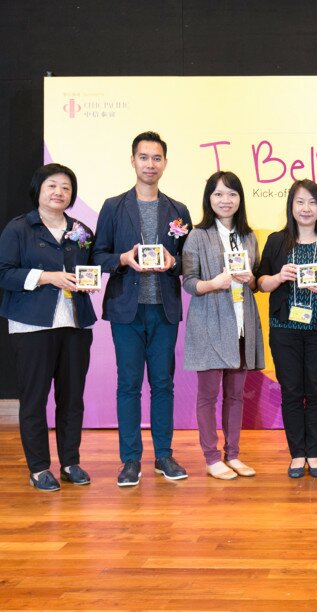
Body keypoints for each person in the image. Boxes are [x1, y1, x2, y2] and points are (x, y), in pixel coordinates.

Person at [93, 131, 193, 487]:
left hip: (164, 309)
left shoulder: (178, 210)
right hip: (126, 310)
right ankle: (130, 459)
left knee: (163, 384)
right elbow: (97, 256)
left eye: (157, 158)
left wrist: (173, 262)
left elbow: (188, 261)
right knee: (129, 385)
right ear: (132, 160)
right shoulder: (113, 206)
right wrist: (122, 259)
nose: (150, 164)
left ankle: (164, 456)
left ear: (165, 162)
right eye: (144, 157)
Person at [0, 164, 96, 491]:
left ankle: (70, 462)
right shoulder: (19, 229)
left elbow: (90, 268)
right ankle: (39, 467)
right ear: (38, 190)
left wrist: (89, 282)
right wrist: (46, 277)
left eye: (66, 187)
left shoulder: (81, 231)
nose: (59, 192)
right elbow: (4, 273)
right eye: (52, 186)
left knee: (72, 399)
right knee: (35, 399)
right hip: (31, 326)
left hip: (75, 323)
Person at [256, 180, 317, 478]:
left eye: (312, 202)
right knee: (292, 391)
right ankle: (297, 454)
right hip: (285, 328)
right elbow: (260, 283)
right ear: (291, 206)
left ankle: (315, 454)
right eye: (300, 202)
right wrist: (279, 276)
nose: (306, 208)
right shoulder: (276, 242)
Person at [182, 171, 265, 480]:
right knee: (208, 395)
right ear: (209, 199)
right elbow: (189, 282)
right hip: (209, 323)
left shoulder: (249, 236)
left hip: (242, 324)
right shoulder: (197, 235)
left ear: (240, 199)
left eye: (231, 194)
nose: (225, 200)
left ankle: (233, 454)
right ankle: (211, 456)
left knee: (235, 395)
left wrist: (251, 279)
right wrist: (213, 283)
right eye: (218, 194)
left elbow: (255, 280)